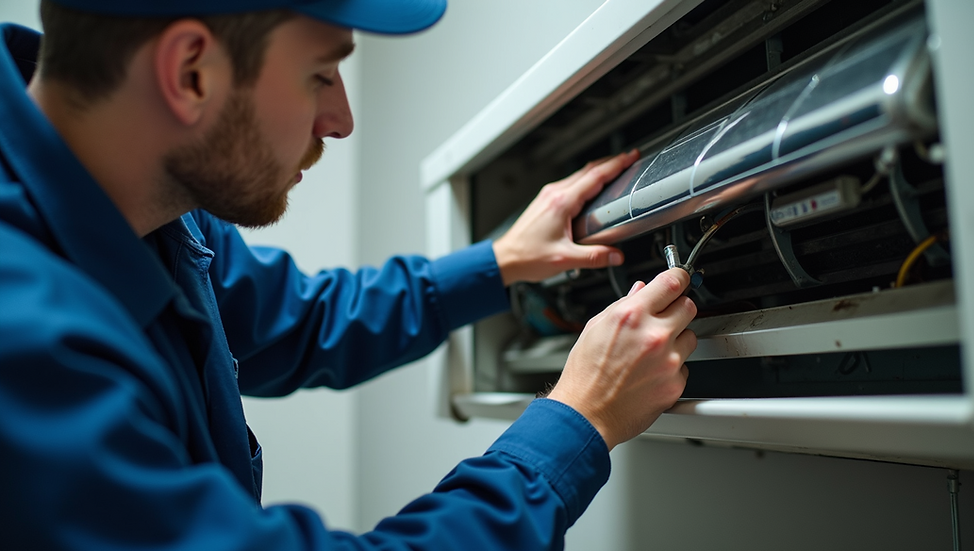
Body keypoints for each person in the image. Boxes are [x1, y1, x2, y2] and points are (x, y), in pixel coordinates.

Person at [0, 0, 697, 549]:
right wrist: (578, 420)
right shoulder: (27, 341)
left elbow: (300, 320)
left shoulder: (158, 213)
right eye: (320, 75)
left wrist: (499, 261)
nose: (341, 121)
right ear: (190, 73)